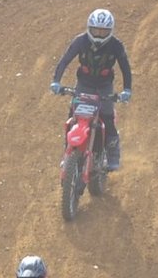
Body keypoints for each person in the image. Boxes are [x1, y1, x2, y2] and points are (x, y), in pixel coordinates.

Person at [51, 9, 133, 171]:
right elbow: (65, 60)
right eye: (96, 30)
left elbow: (125, 68)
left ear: (110, 31)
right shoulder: (80, 41)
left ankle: (113, 155)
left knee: (107, 117)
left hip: (104, 86)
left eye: (103, 31)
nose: (99, 35)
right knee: (73, 118)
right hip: (84, 84)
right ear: (89, 28)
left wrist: (127, 90)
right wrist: (56, 81)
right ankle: (67, 154)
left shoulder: (116, 45)